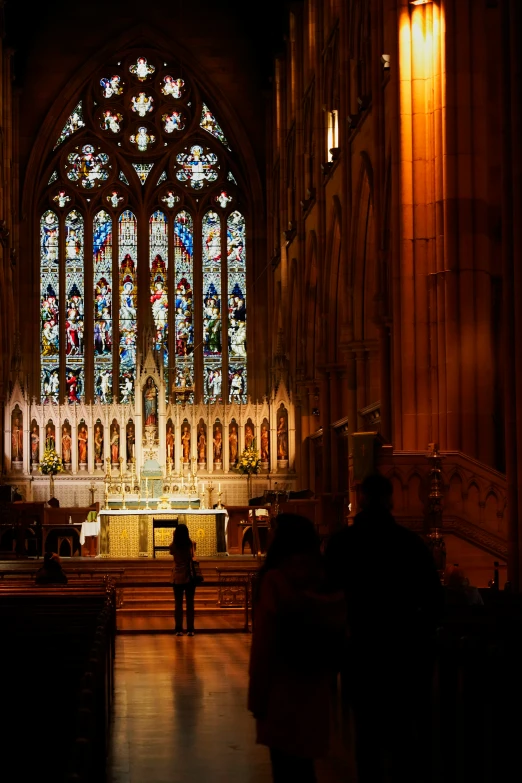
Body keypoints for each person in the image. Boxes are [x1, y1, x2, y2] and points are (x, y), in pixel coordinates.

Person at [325, 472, 444, 783]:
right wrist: (418, 638)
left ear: (361, 498)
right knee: (402, 733)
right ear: (391, 500)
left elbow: (327, 598)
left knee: (366, 735)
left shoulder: (342, 543)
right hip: (401, 651)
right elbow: (433, 599)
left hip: (359, 649)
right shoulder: (410, 544)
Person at [248, 513, 346, 783]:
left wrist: (256, 697)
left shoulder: (277, 582)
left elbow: (264, 645)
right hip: (314, 689)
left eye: (272, 531)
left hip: (281, 690)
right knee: (305, 770)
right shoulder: (325, 580)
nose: (269, 536)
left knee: (285, 770)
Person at [169, 524, 197, 636]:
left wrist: (174, 536)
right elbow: (193, 555)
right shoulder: (190, 544)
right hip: (189, 577)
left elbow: (171, 551)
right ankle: (190, 629)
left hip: (177, 577)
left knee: (178, 604)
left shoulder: (174, 545)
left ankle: (178, 629)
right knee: (190, 604)